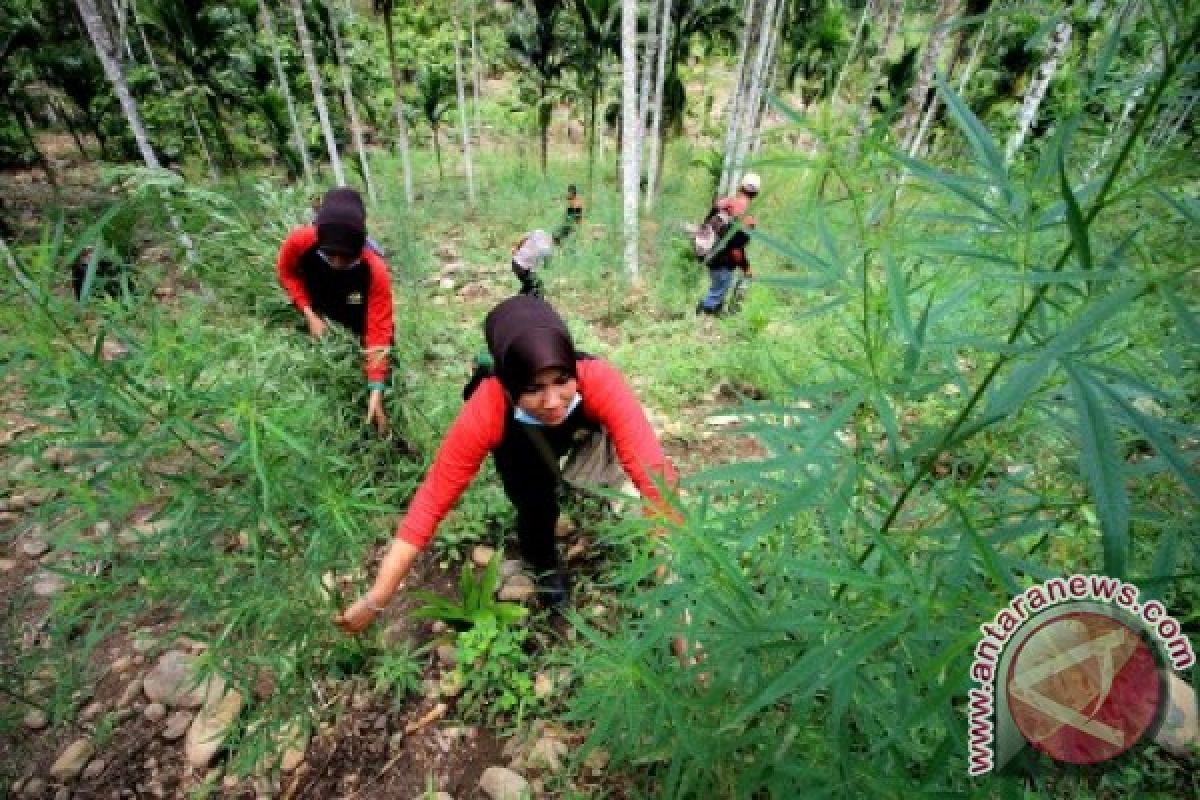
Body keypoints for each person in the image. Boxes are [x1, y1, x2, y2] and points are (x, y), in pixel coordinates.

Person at [335, 295, 678, 632]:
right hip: (519, 443)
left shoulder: (598, 379)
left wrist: (678, 597)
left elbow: (656, 481)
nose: (553, 401)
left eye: (562, 381)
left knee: (616, 479)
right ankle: (544, 567)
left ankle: (585, 494)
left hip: (581, 430)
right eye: (534, 388)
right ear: (511, 385)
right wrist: (377, 596)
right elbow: (431, 501)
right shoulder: (488, 409)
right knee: (535, 507)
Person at [277, 187, 394, 433]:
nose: (338, 263)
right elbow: (287, 274)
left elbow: (379, 330)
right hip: (323, 319)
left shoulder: (375, 270)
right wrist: (309, 314)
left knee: (383, 395)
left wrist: (376, 388)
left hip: (361, 324)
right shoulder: (300, 242)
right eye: (331, 255)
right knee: (327, 391)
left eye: (346, 257)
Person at [696, 172, 760, 316]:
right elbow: (736, 251)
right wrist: (746, 268)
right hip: (723, 262)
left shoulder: (723, 203)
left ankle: (712, 315)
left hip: (707, 252)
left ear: (740, 187)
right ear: (756, 193)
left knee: (718, 291)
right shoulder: (747, 219)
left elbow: (705, 224)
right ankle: (701, 318)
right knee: (716, 295)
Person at [510, 229, 554, 298]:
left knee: (528, 285)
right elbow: (546, 266)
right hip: (523, 268)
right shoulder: (548, 249)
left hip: (515, 262)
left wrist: (517, 247)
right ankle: (537, 305)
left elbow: (524, 237)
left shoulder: (540, 232)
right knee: (538, 287)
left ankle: (517, 300)